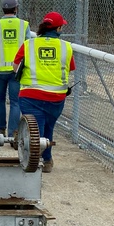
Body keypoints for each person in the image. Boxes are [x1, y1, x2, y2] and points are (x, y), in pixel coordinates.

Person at [13, 11, 75, 174]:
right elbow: (70, 68)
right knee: (48, 127)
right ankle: (46, 160)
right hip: (56, 97)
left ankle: (35, 160)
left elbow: (15, 66)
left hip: (30, 95)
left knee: (34, 129)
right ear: (59, 28)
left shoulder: (29, 44)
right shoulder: (66, 47)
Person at [0, 0, 32, 141]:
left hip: (0, 70)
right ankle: (13, 134)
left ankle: (0, 131)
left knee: (0, 100)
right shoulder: (24, 25)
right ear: (16, 8)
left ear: (3, 9)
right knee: (15, 102)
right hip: (17, 70)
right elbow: (28, 46)